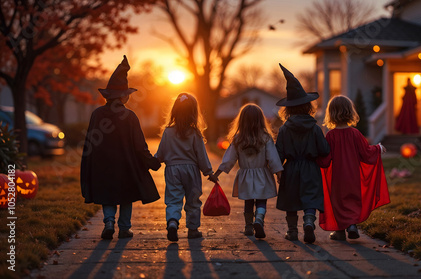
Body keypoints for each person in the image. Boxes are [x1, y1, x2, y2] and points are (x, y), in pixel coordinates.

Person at [81, 55, 161, 240]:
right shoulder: (130, 117)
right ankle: (124, 228)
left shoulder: (97, 114)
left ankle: (109, 222)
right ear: (124, 97)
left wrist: (88, 165)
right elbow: (140, 146)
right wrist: (152, 162)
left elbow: (89, 143)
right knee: (126, 196)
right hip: (126, 167)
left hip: (103, 166)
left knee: (107, 195)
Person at [317, 95, 390, 240]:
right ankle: (352, 226)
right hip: (353, 177)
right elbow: (366, 153)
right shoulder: (355, 134)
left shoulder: (330, 136)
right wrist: (378, 148)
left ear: (331, 114)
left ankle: (340, 231)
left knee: (338, 202)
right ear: (350, 112)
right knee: (353, 200)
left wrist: (314, 155)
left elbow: (325, 159)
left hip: (338, 179)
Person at [275, 64, 330, 244]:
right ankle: (308, 221)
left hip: (291, 168)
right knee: (311, 198)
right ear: (308, 106)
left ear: (288, 109)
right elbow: (324, 150)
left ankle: (292, 232)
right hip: (310, 167)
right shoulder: (314, 128)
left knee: (291, 200)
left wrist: (278, 170)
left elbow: (279, 152)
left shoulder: (284, 129)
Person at [210, 104, 283, 238]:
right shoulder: (266, 137)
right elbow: (273, 158)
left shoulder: (238, 139)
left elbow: (229, 158)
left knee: (248, 201)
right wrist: (279, 173)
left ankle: (248, 226)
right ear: (261, 120)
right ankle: (259, 219)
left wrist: (218, 173)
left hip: (246, 175)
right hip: (262, 175)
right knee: (261, 200)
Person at [155, 93, 217, 241]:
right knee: (193, 199)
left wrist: (153, 162)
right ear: (194, 113)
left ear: (174, 111)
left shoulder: (168, 132)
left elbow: (160, 154)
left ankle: (172, 222)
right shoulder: (195, 133)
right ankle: (193, 229)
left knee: (173, 199)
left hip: (172, 170)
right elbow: (201, 156)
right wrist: (209, 172)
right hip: (192, 171)